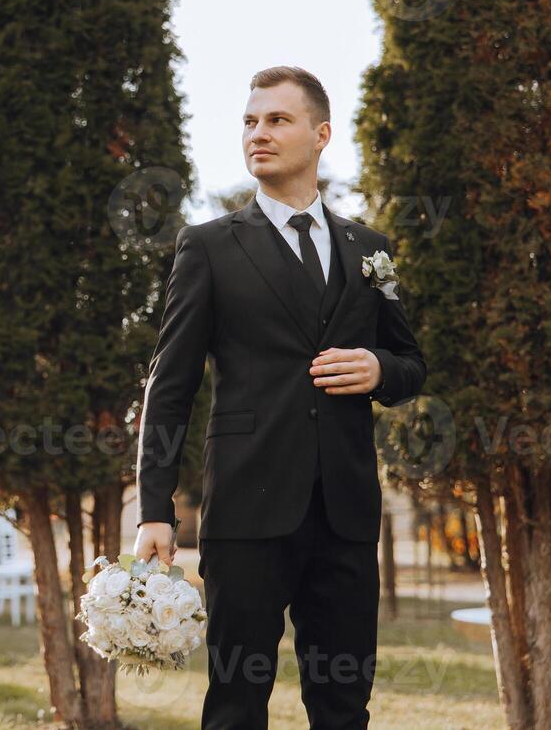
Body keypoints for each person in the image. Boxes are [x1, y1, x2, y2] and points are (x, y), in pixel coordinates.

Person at [132, 65, 427, 729]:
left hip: (346, 517)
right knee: (235, 708)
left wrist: (380, 369)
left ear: (321, 135)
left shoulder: (369, 250)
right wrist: (157, 509)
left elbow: (413, 364)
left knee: (345, 707)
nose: (257, 134)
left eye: (276, 120)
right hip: (246, 515)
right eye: (249, 121)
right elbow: (170, 385)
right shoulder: (207, 248)